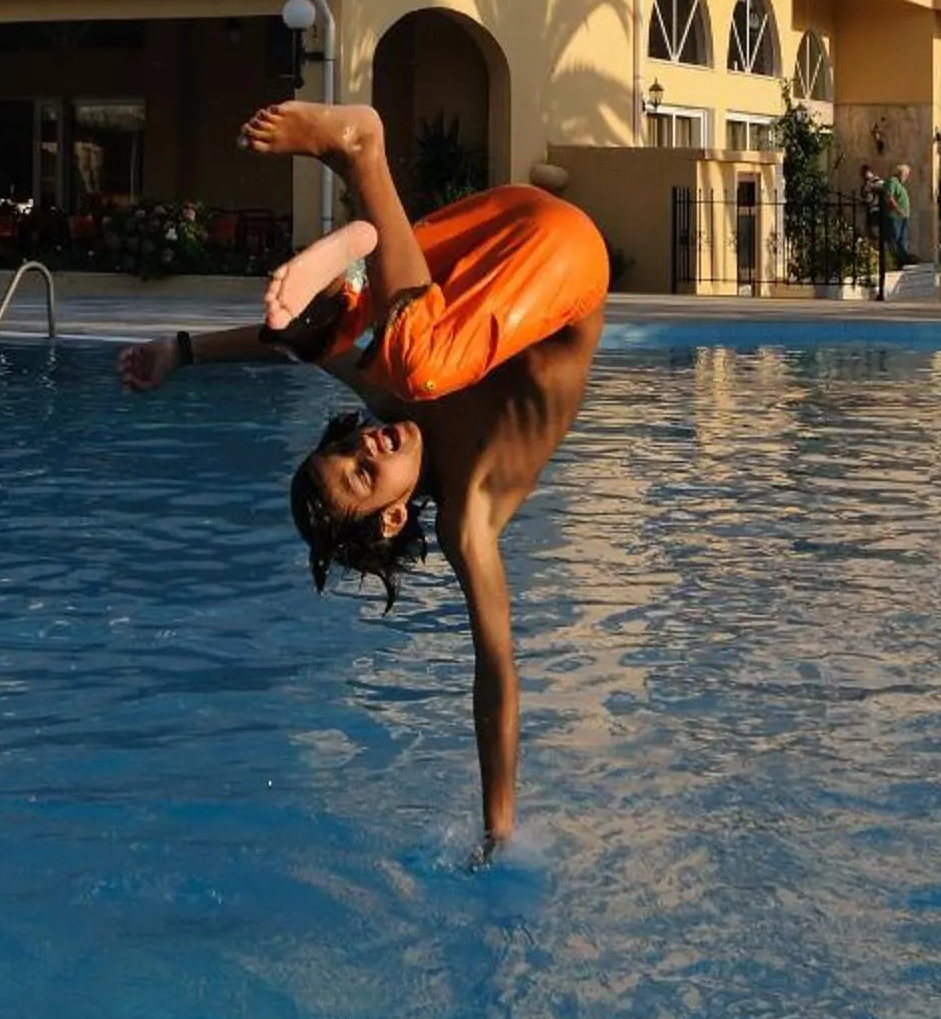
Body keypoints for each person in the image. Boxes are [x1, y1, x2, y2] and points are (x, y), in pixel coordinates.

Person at [118, 102, 607, 851]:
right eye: (362, 474)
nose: (368, 446)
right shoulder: (469, 517)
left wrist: (181, 351)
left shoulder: (389, 404)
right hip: (563, 255)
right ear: (389, 518)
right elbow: (496, 671)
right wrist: (498, 826)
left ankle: (358, 196)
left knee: (322, 337)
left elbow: (282, 347)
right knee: (406, 358)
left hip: (488, 232)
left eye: (348, 449)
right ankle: (360, 210)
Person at [882, 163, 912, 267]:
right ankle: (892, 262)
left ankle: (902, 261)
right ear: (900, 173)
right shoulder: (892, 181)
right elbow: (889, 197)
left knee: (902, 241)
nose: (907, 177)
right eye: (906, 174)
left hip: (902, 217)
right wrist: (898, 210)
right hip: (895, 217)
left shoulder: (899, 184)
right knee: (894, 239)